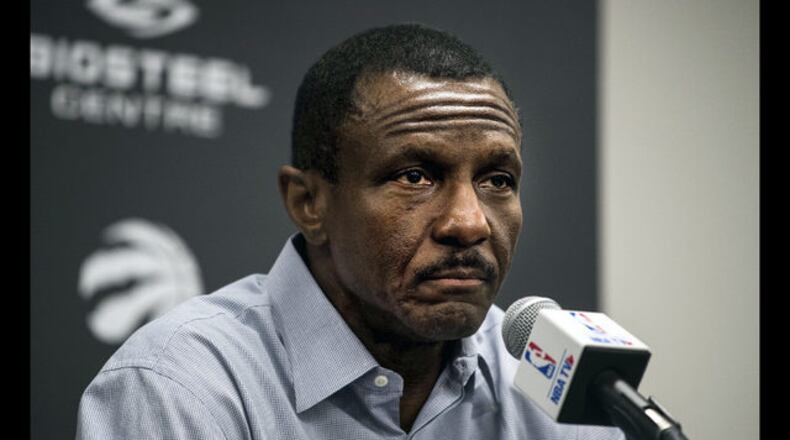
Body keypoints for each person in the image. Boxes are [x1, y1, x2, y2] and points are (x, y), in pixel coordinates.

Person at [76, 23, 624, 439]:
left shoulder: (553, 384)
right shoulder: (178, 386)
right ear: (308, 202)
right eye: (415, 176)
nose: (469, 222)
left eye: (497, 180)